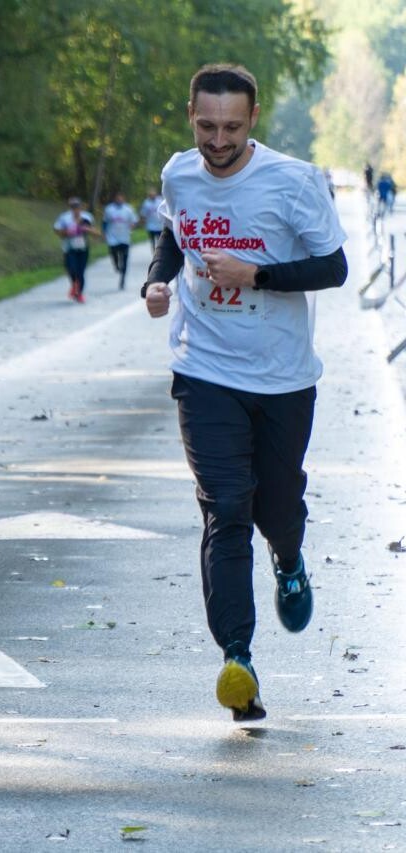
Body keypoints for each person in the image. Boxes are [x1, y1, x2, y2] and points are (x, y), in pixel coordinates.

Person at [142, 63, 347, 722]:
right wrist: (156, 279)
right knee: (225, 507)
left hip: (283, 376)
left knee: (277, 504)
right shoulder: (179, 173)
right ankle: (238, 658)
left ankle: (289, 557)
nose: (218, 139)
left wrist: (254, 273)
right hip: (203, 369)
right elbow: (175, 235)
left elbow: (334, 267)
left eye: (231, 126)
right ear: (190, 116)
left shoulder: (292, 181)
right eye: (206, 125)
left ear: (252, 119)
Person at [52, 196, 99, 302]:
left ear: (81, 207)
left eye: (77, 206)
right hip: (69, 248)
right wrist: (67, 232)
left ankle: (80, 293)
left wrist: (87, 230)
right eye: (73, 207)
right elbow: (57, 230)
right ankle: (74, 284)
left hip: (83, 248)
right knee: (71, 269)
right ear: (70, 207)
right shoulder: (64, 218)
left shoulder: (87, 217)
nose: (76, 209)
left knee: (81, 272)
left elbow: (95, 232)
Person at [102, 191, 140, 290]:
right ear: (115, 199)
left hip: (125, 237)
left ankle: (122, 279)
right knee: (113, 253)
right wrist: (104, 233)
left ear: (123, 198)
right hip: (112, 237)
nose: (119, 199)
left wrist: (132, 225)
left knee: (125, 258)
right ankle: (116, 265)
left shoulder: (128, 209)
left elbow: (134, 221)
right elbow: (105, 222)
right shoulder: (109, 209)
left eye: (121, 198)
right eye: (117, 198)